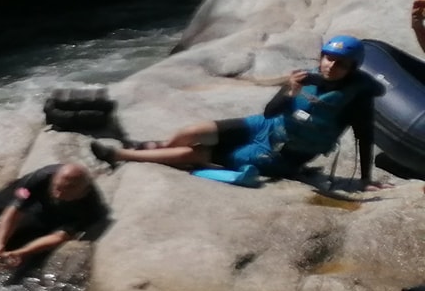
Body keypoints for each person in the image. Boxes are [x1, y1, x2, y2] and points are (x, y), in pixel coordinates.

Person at [89, 36, 384, 187]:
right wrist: (290, 91)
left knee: (196, 154)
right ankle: (156, 146)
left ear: (351, 68)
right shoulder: (306, 77)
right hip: (265, 128)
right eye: (327, 59)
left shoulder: (355, 98)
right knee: (193, 132)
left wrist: (366, 178)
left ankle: (121, 155)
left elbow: (364, 136)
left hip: (284, 155)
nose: (330, 66)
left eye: (339, 63)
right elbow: (270, 112)